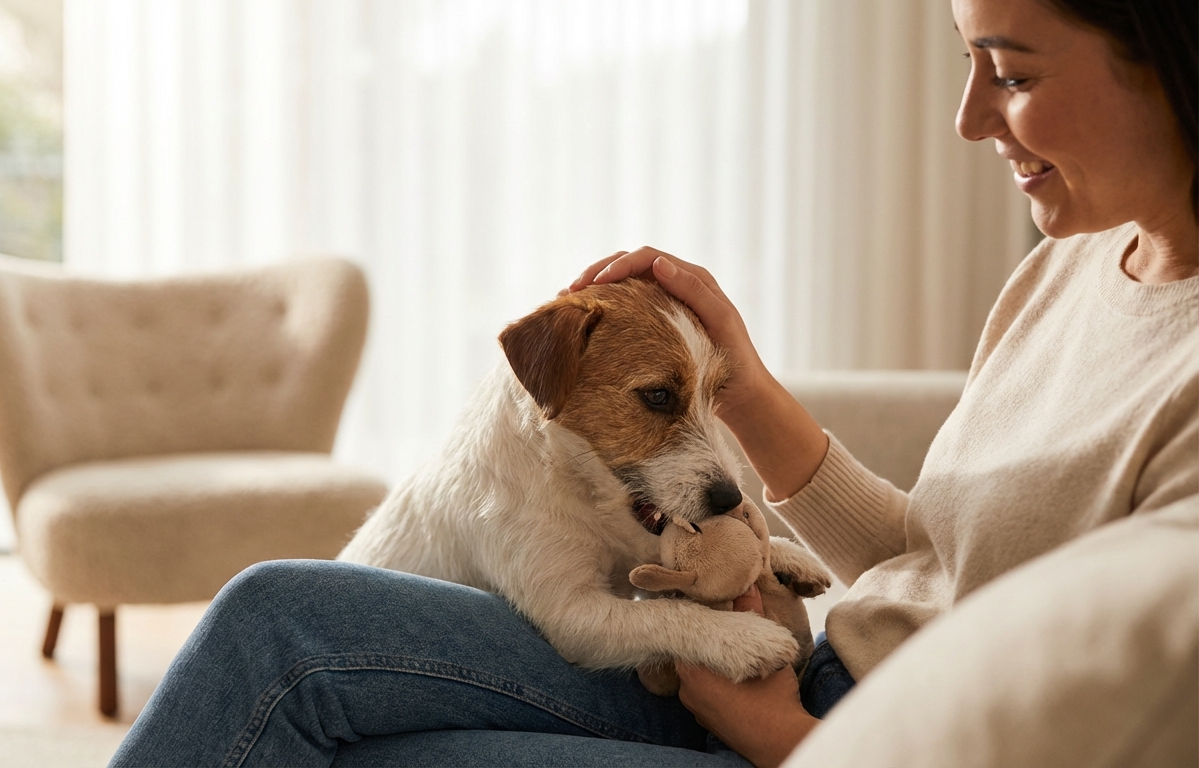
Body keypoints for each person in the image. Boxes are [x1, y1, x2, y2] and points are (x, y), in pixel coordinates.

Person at [110, 0, 1196, 765]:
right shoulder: (1063, 267)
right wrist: (741, 383)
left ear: (1173, 51)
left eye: (1009, 72)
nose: (964, 119)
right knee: (320, 719)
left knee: (279, 638)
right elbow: (946, 559)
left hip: (824, 736)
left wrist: (777, 733)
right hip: (801, 673)